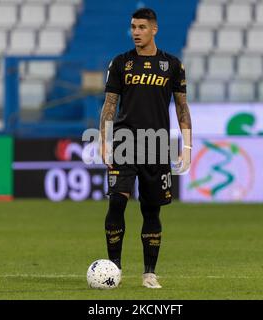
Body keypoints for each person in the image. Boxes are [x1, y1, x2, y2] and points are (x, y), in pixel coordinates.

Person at [99, 8, 192, 289]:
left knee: (151, 211)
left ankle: (149, 273)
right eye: (133, 27)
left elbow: (182, 106)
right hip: (125, 144)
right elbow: (110, 104)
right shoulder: (120, 63)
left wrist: (186, 145)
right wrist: (104, 139)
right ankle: (113, 270)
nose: (136, 32)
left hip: (157, 145)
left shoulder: (173, 65)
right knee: (117, 202)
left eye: (141, 27)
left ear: (154, 29)